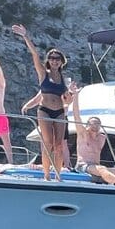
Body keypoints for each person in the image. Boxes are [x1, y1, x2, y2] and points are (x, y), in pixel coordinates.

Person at [12, 24, 68, 181]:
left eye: (57, 59)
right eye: (52, 58)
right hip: (44, 110)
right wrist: (25, 36)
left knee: (59, 145)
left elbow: (67, 99)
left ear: (61, 62)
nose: (54, 61)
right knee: (48, 143)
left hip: (60, 111)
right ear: (48, 60)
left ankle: (58, 176)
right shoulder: (43, 73)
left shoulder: (64, 78)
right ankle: (46, 175)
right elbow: (35, 54)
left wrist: (71, 95)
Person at [22, 90, 72, 169]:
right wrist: (26, 106)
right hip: (49, 117)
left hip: (59, 117)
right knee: (47, 142)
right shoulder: (46, 88)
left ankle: (66, 165)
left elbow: (68, 101)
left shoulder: (61, 88)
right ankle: (47, 164)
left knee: (61, 143)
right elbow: (36, 100)